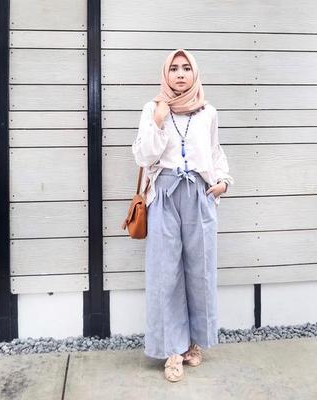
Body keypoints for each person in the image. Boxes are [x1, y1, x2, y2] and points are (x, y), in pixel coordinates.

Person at [131, 48, 234, 382]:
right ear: (166, 74)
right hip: (164, 194)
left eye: (186, 68)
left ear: (194, 73)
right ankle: (171, 350)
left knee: (200, 269)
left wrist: (223, 182)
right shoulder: (153, 108)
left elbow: (215, 151)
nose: (179, 74)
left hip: (199, 195)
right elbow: (143, 156)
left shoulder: (208, 111)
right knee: (166, 273)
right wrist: (159, 120)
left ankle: (193, 342)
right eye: (173, 68)